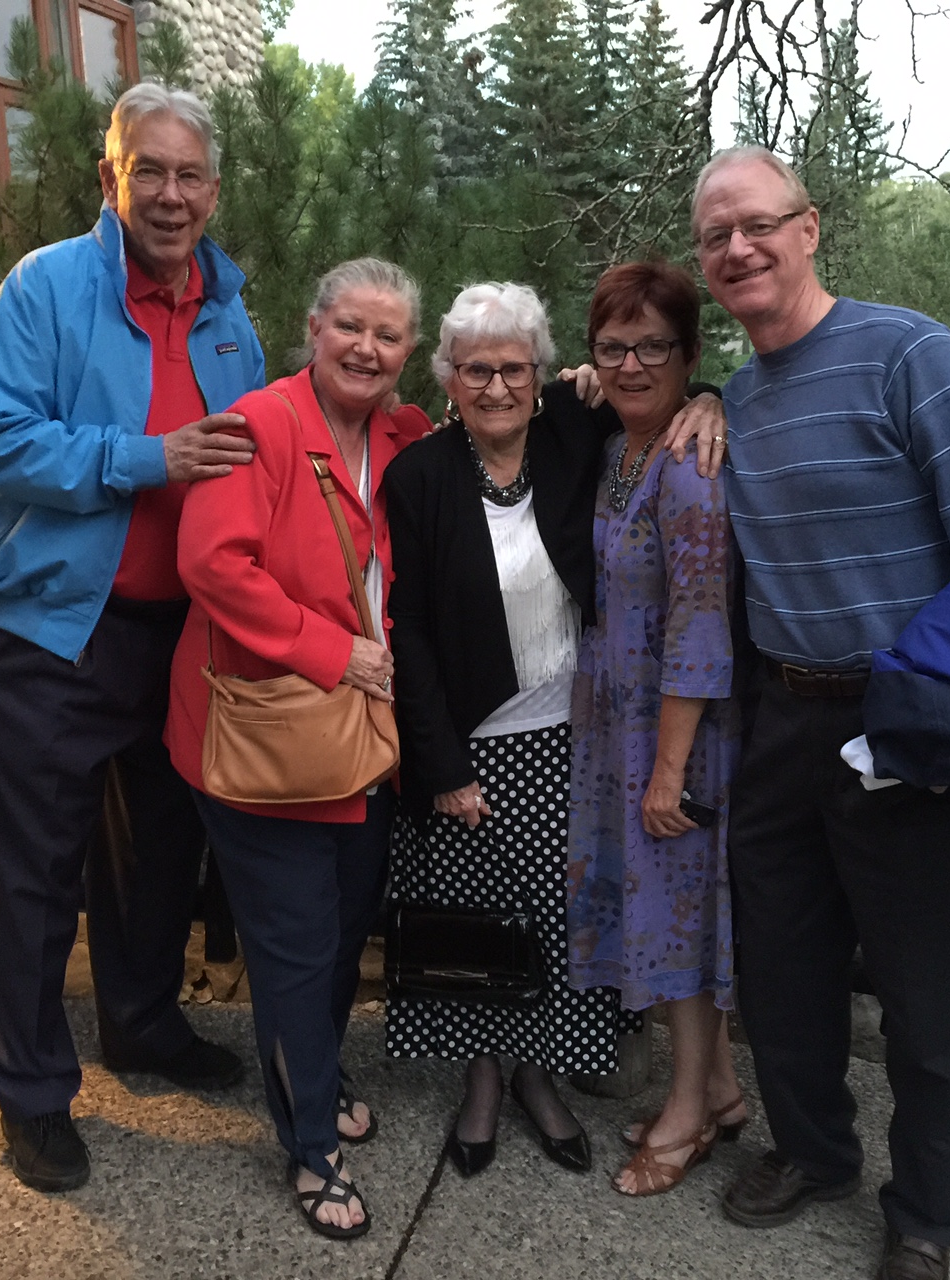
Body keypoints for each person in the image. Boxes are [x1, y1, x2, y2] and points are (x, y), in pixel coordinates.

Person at [693, 146, 950, 1280]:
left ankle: (928, 1212)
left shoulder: (912, 354)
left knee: (929, 991)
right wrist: (682, 391)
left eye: (758, 224)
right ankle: (815, 1152)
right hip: (784, 718)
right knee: (780, 968)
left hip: (912, 717)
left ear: (808, 229)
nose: (738, 248)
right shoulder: (738, 396)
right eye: (715, 236)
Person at [0, 84, 264, 1193]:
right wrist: (145, 459)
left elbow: (259, 453)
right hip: (48, 628)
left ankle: (140, 1021)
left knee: (156, 852)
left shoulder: (229, 313)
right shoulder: (44, 287)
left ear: (213, 190)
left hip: (179, 632)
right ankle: (31, 1091)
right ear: (110, 178)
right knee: (37, 869)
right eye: (149, 171)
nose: (171, 195)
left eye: (189, 175)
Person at [384, 282, 725, 1179]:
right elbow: (407, 631)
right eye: (475, 370)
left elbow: (657, 386)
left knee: (552, 918)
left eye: (512, 368)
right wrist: (441, 763)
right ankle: (482, 1080)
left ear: (540, 374)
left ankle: (538, 1076)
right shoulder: (418, 477)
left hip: (575, 734)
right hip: (470, 738)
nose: (495, 386)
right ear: (448, 378)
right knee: (474, 920)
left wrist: (710, 396)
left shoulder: (577, 435)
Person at [164, 257, 428, 1239]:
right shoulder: (261, 425)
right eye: (349, 326)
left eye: (388, 334)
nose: (366, 347)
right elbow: (211, 563)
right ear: (313, 330)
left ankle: (316, 1071)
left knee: (340, 933)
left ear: (409, 352)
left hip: (358, 743)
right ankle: (311, 1144)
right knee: (294, 949)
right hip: (265, 741)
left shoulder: (404, 436)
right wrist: (333, 650)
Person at [566, 262, 743, 1197]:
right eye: (612, 348)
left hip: (675, 735)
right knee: (662, 910)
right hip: (619, 722)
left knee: (681, 924)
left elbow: (700, 626)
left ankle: (684, 1114)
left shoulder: (690, 472)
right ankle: (719, 1089)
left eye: (653, 348)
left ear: (689, 353)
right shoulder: (619, 449)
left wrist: (669, 770)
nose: (631, 365)